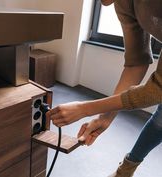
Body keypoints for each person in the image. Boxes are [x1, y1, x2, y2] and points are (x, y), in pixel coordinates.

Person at [46, 0, 162, 176]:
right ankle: (126, 170)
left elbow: (157, 90)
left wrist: (85, 109)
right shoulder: (123, 4)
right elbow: (136, 63)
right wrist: (104, 117)